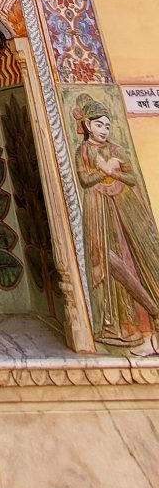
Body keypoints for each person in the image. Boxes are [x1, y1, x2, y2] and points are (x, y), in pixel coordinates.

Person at [74, 93, 159, 351]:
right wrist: (104, 171)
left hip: (124, 208)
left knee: (136, 257)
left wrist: (115, 171)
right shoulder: (83, 151)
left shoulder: (116, 150)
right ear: (88, 126)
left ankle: (150, 317)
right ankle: (119, 325)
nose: (104, 130)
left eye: (108, 125)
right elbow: (85, 180)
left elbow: (131, 178)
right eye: (99, 125)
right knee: (106, 259)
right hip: (98, 210)